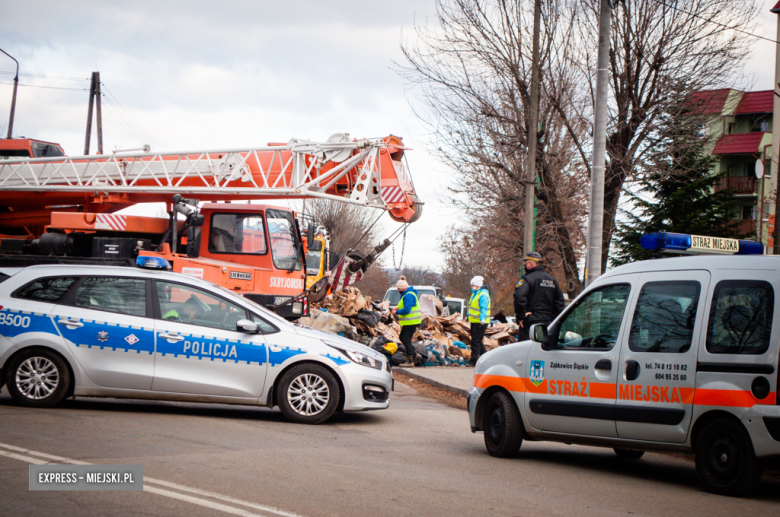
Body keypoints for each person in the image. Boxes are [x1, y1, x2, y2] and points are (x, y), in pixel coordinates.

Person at [513, 251, 565, 341]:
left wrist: (521, 316)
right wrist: (552, 318)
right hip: (548, 324)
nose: (525, 265)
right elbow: (560, 302)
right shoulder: (552, 280)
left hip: (530, 323)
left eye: (526, 263)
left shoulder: (527, 279)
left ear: (531, 263)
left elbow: (519, 296)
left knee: (525, 351)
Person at [391, 276, 421, 366]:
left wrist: (396, 312)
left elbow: (407, 310)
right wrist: (397, 308)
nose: (398, 291)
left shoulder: (408, 295)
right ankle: (415, 355)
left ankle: (410, 361)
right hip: (409, 322)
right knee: (402, 338)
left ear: (402, 288)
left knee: (406, 339)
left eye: (398, 289)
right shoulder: (407, 294)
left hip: (411, 321)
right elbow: (404, 306)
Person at [468, 276, 491, 366]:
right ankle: (485, 358)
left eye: (472, 285)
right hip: (475, 321)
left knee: (475, 341)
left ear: (477, 285)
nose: (471, 287)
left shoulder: (483, 295)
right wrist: (467, 315)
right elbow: (472, 307)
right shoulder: (476, 294)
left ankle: (474, 361)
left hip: (480, 322)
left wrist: (482, 319)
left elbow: (483, 308)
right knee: (477, 340)